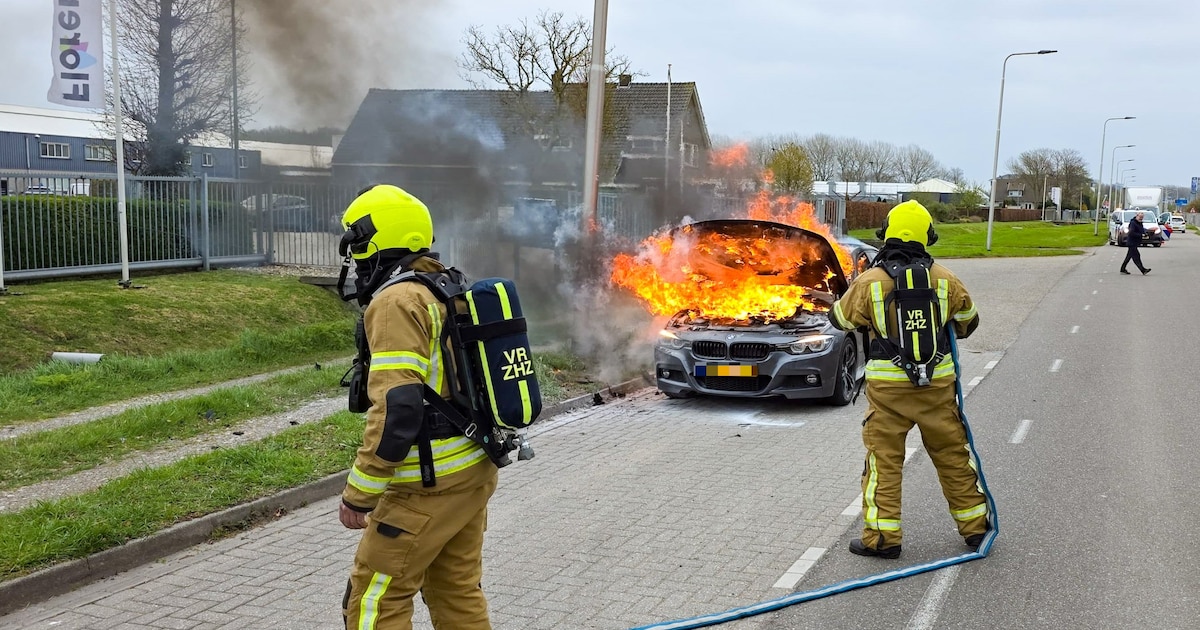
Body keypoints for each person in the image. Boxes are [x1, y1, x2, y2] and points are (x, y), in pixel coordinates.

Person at [338, 184, 498, 629]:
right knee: (456, 589)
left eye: (359, 247)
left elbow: (397, 407)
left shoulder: (396, 301)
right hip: (471, 469)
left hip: (426, 486)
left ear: (376, 241)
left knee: (374, 598)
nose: (356, 262)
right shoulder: (446, 287)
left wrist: (360, 493)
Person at [830, 200, 989, 559]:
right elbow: (969, 322)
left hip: (888, 394)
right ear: (927, 237)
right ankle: (976, 530)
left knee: (883, 463)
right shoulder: (945, 279)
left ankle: (883, 540)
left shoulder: (870, 281)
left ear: (886, 234)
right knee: (952, 456)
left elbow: (840, 320)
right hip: (937, 389)